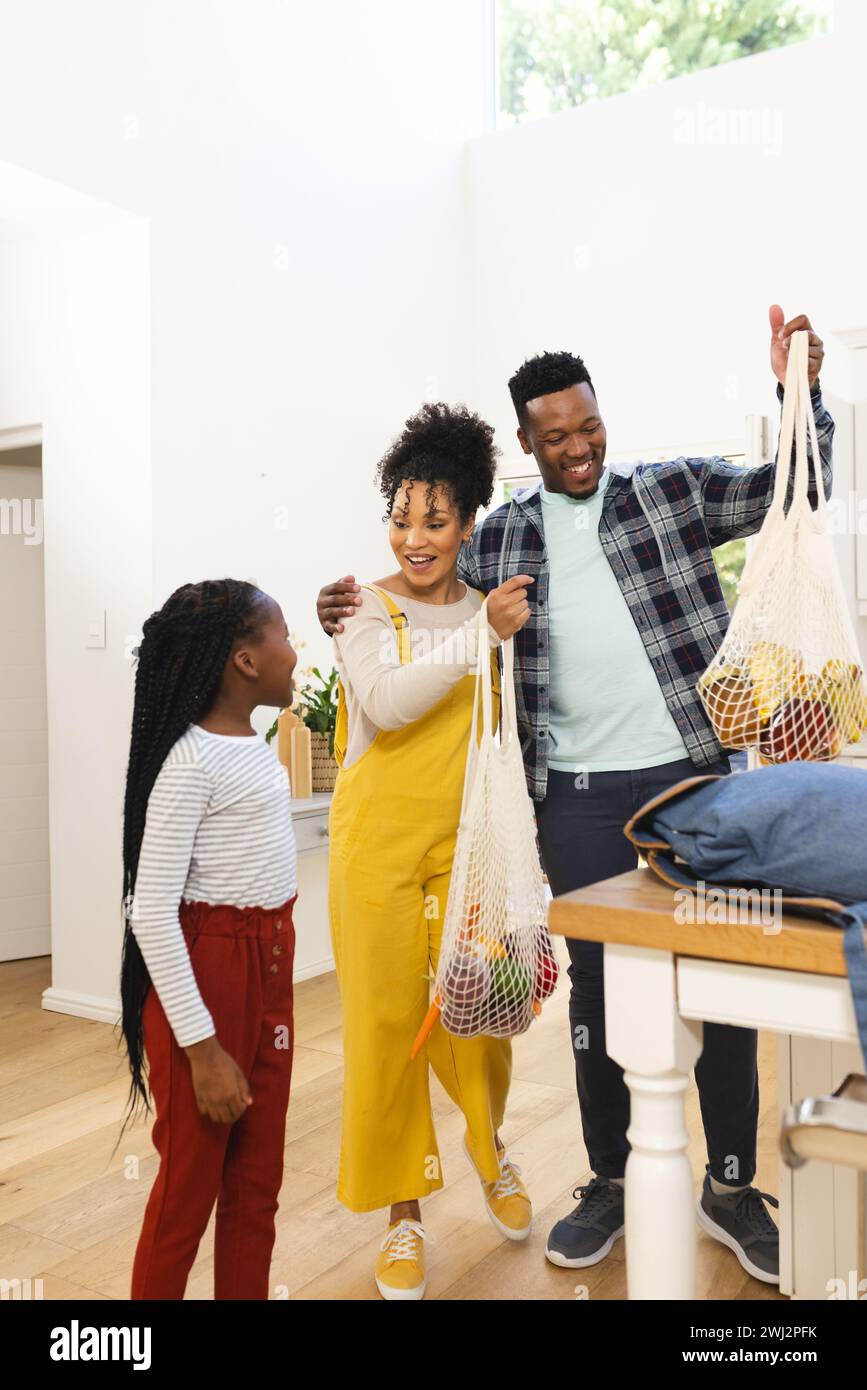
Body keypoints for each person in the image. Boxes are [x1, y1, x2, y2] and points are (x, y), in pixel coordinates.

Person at [316, 308, 834, 1287]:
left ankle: (729, 1182)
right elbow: (412, 594)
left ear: (601, 417)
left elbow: (793, 492)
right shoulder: (497, 534)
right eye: (555, 435)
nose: (578, 446)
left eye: (587, 426)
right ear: (527, 442)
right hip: (577, 797)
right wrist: (335, 609)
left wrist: (796, 394)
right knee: (597, 988)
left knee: (718, 975)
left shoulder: (671, 489)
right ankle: (606, 1177)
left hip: (693, 776)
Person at [328, 401, 533, 1300]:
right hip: (375, 842)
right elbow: (388, 701)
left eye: (435, 520)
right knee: (383, 1030)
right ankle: (401, 1216)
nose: (415, 538)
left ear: (468, 522)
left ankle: (492, 1154)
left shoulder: (490, 605)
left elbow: (505, 726)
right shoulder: (359, 610)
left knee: (478, 1007)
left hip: (467, 841)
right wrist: (478, 634)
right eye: (402, 517)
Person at [118, 578, 299, 1300]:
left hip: (270, 964)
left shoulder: (250, 745)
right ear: (245, 661)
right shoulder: (190, 763)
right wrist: (203, 1051)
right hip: (209, 975)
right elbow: (151, 911)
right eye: (284, 634)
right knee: (187, 1196)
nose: (296, 649)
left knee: (257, 1186)